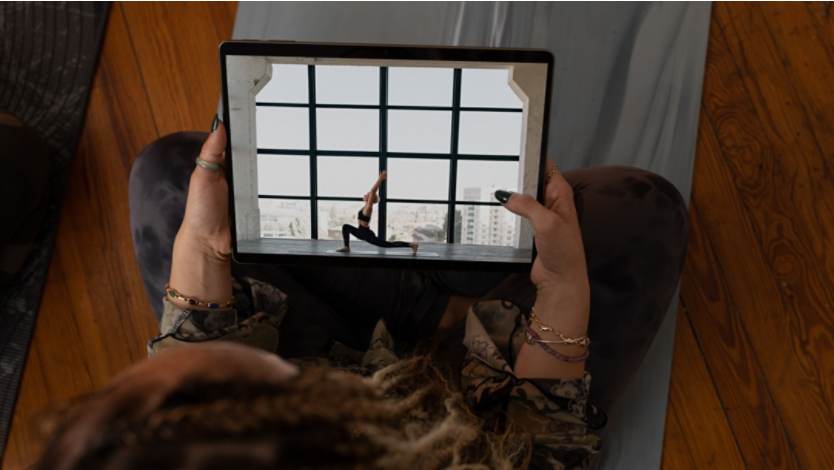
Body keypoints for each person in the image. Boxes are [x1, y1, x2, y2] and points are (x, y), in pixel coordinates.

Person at [35, 116, 689, 470]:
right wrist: (564, 291)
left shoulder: (155, 441)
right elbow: (539, 443)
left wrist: (201, 249)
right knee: (642, 215)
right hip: (467, 414)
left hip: (338, 365)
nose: (179, 338)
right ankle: (450, 305)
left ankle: (427, 299)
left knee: (176, 177)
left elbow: (190, 343)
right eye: (229, 374)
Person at [337, 170, 419, 255]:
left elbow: (373, 191)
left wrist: (379, 179)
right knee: (345, 227)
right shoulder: (364, 207)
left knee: (388, 244)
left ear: (370, 199)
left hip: (366, 235)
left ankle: (412, 245)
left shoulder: (368, 209)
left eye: (367, 195)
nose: (365, 195)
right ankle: (347, 247)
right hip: (360, 232)